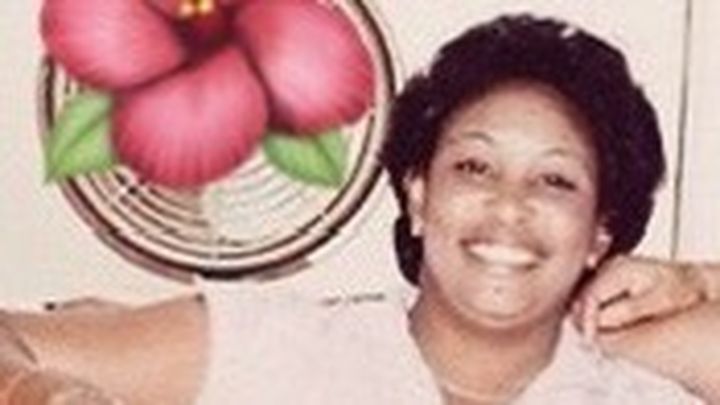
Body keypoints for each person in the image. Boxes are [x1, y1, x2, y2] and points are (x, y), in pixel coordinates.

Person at [2, 14, 720, 405]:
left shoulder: (635, 386)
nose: (509, 206)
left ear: (600, 231)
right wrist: (45, 395)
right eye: (473, 166)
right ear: (418, 195)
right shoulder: (276, 346)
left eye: (555, 181)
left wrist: (699, 280)